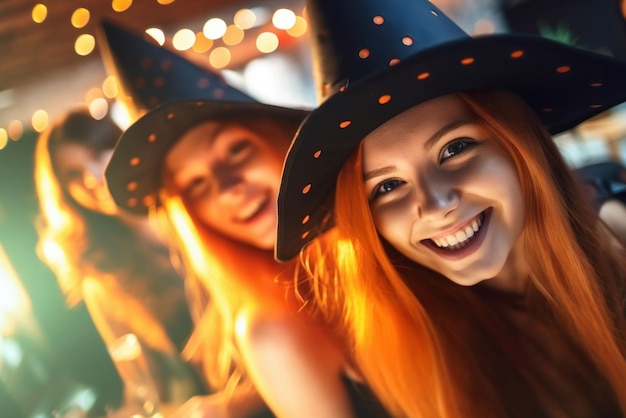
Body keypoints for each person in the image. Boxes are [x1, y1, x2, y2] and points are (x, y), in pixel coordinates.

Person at [275, 0, 626, 417]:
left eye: (455, 148)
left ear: (521, 144)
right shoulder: (412, 344)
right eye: (387, 186)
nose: (436, 204)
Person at [103, 30, 388, 418]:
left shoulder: (400, 219)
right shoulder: (271, 331)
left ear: (284, 139)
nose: (227, 188)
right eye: (196, 184)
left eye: (236, 149)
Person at [33, 108, 204, 414]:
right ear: (65, 194)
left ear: (122, 143)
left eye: (99, 153)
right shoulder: (103, 279)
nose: (92, 177)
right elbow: (144, 382)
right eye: (74, 174)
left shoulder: (195, 206)